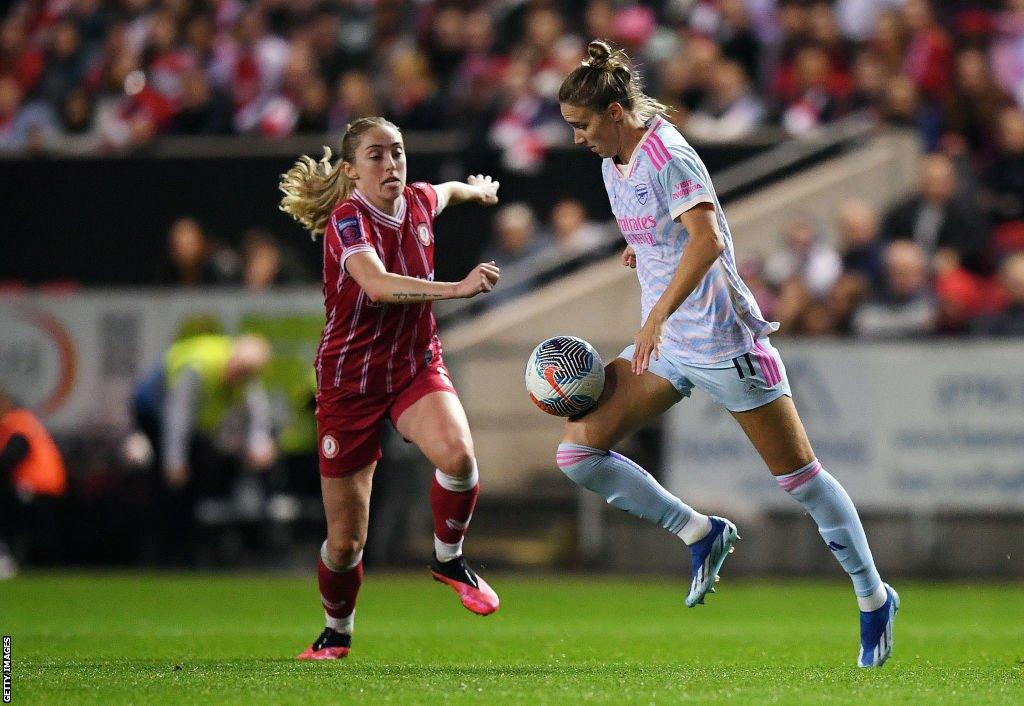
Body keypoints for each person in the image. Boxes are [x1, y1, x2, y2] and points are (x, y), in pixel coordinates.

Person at [555, 40, 897, 668]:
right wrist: (643, 251)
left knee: (802, 480)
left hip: (721, 342)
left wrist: (657, 311)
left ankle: (874, 597)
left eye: (581, 126)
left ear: (612, 111)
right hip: (666, 348)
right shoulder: (613, 162)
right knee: (578, 451)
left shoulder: (667, 152)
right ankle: (699, 530)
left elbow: (708, 239)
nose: (577, 140)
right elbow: (666, 234)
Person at [279, 116, 502, 661]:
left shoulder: (419, 200)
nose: (391, 164)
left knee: (459, 457)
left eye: (398, 153)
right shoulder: (348, 222)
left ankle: (447, 558)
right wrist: (458, 287)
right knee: (345, 543)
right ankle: (336, 631)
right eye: (377, 156)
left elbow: (443, 190)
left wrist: (475, 190)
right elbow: (376, 285)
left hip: (412, 365)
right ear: (352, 171)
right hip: (349, 382)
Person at [129, 333, 276, 562]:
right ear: (234, 359)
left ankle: (183, 550)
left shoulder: (245, 378)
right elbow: (177, 418)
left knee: (191, 483)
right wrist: (174, 463)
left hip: (186, 422)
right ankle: (158, 554)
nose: (243, 378)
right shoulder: (199, 369)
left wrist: (260, 446)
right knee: (168, 482)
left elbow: (257, 417)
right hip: (153, 410)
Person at [0, 387, 68, 578]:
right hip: (51, 484)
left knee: (14, 522)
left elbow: (13, 454)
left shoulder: (16, 421)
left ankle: (9, 560)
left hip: (35, 484)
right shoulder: (27, 420)